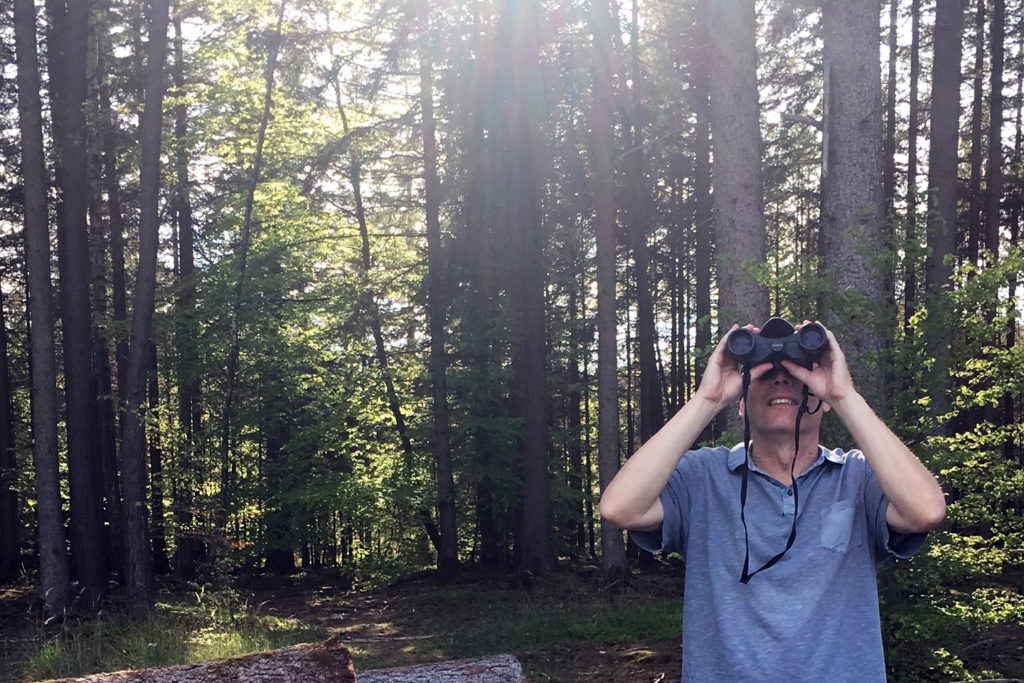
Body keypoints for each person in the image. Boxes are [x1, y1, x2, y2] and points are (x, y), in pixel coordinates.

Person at [599, 320, 946, 681]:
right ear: (741, 403)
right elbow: (619, 508)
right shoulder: (702, 477)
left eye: (798, 371)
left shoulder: (859, 477)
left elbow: (925, 510)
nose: (782, 380)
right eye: (764, 373)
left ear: (823, 401)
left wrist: (844, 395)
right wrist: (707, 399)